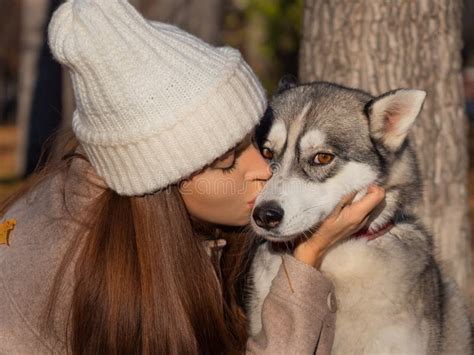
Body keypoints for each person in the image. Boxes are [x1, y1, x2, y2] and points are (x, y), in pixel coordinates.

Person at [0, 0, 385, 354]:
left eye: (257, 144)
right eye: (226, 162)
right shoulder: (80, 281)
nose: (264, 171)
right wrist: (307, 260)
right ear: (159, 181)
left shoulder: (116, 200)